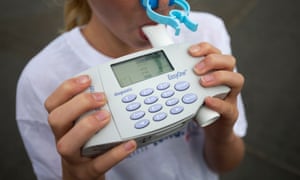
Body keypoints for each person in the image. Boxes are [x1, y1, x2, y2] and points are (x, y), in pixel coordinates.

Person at [16, 0, 247, 179]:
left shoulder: (206, 33)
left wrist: (221, 134)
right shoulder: (42, 81)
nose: (161, 4)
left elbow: (226, 163)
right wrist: (78, 176)